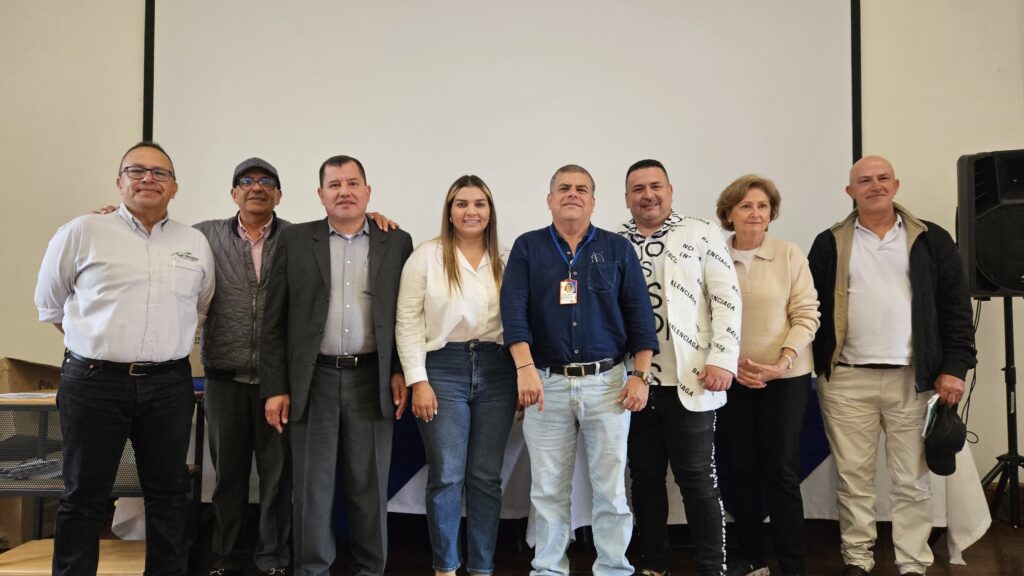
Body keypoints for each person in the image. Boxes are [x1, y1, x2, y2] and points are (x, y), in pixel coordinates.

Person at [35, 141, 215, 576]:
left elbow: (201, 304)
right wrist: (101, 344)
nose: (148, 178)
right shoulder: (82, 231)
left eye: (160, 173)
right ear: (119, 182)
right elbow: (51, 306)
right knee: (83, 496)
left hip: (168, 385)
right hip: (94, 383)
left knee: (169, 495)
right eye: (137, 170)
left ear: (175, 187)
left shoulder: (194, 242)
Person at [808, 156, 976, 576]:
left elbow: (956, 308)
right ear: (851, 192)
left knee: (912, 480)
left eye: (883, 178)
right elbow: (809, 310)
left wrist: (955, 367)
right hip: (847, 380)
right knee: (853, 479)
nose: (875, 185)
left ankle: (913, 563)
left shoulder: (931, 239)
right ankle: (857, 559)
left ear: (896, 185)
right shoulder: (828, 242)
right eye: (864, 180)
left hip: (914, 380)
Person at [500, 164, 658, 576]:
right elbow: (513, 313)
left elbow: (641, 317)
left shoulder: (617, 248)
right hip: (546, 383)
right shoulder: (527, 248)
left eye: (581, 189)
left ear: (593, 201)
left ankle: (613, 568)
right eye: (564, 188)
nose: (573, 194)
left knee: (611, 490)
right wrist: (524, 368)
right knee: (548, 490)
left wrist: (641, 375)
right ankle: (548, 569)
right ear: (550, 199)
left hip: (609, 385)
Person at [260, 155, 412, 576]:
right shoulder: (294, 241)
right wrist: (276, 387)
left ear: (368, 191)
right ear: (320, 194)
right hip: (314, 381)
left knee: (369, 485)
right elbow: (273, 320)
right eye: (334, 184)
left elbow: (407, 315)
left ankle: (370, 569)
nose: (344, 191)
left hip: (372, 378)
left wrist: (400, 370)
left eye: (352, 183)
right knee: (313, 487)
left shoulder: (396, 241)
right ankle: (312, 569)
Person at [619, 159, 742, 576]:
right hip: (633, 384)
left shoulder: (701, 232)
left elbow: (726, 299)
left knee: (698, 481)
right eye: (638, 189)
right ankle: (653, 564)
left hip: (693, 379)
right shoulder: (613, 242)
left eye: (656, 186)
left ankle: (712, 568)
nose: (648, 195)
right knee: (644, 480)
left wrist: (722, 358)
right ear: (627, 198)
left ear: (670, 191)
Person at [395, 175, 516, 576]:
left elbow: (520, 321)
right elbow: (407, 321)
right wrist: (418, 380)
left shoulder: (506, 258)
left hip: (498, 370)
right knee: (447, 474)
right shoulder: (426, 257)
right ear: (449, 212)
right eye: (461, 204)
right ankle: (445, 566)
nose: (471, 211)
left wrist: (523, 375)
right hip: (442, 369)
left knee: (485, 477)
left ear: (490, 211)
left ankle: (481, 567)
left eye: (479, 204)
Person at [714, 175, 820, 576]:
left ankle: (793, 564)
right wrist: (731, 364)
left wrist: (782, 363)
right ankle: (751, 558)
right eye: (745, 206)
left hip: (786, 380)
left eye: (762, 206)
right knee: (740, 469)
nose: (755, 213)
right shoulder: (713, 256)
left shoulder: (789, 254)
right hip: (732, 379)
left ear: (771, 213)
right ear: (729, 214)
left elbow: (806, 315)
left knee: (781, 471)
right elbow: (704, 319)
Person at [195, 158, 291, 576]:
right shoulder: (203, 236)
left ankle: (273, 560)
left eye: (267, 181)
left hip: (279, 382)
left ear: (279, 195)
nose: (256, 187)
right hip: (224, 379)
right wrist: (110, 216)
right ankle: (225, 559)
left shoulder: (297, 238)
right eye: (246, 181)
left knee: (277, 478)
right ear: (233, 193)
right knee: (228, 479)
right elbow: (156, 238)